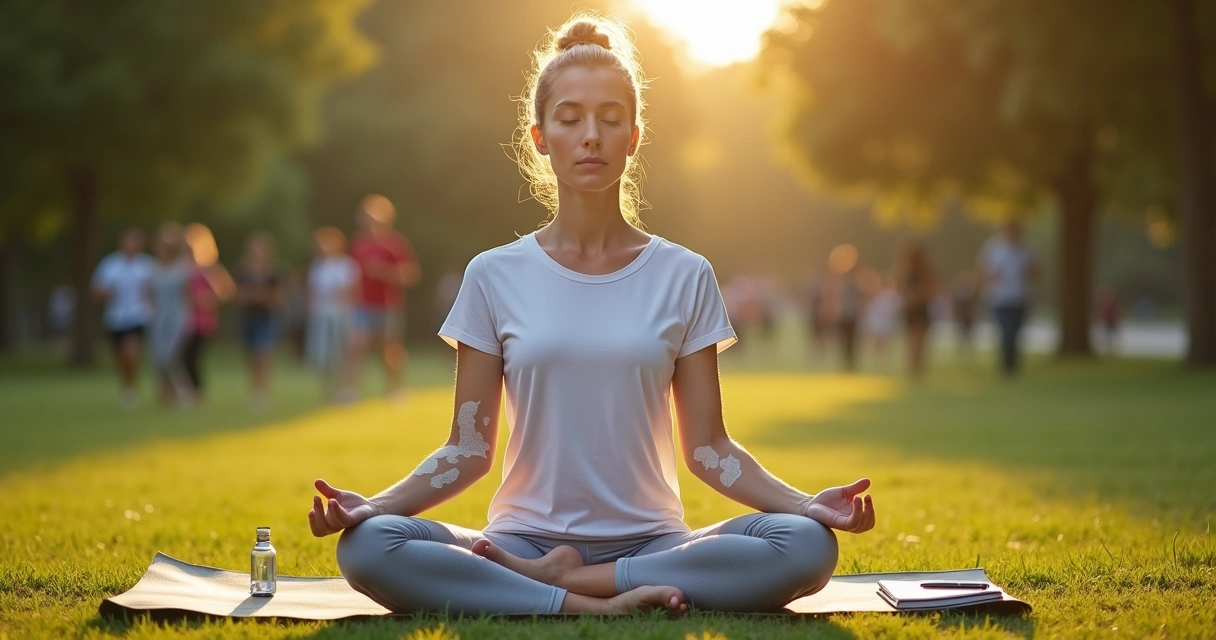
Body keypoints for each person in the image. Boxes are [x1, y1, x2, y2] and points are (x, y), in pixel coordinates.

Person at [307, 15, 875, 617]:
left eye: (610, 119)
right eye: (570, 118)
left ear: (633, 136)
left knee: (806, 544)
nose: (591, 136)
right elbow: (468, 449)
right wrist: (376, 504)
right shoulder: (493, 274)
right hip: (519, 539)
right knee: (368, 546)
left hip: (654, 544)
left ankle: (566, 584)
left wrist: (806, 504)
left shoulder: (685, 274)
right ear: (540, 137)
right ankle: (587, 603)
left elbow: (709, 447)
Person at [344, 195, 420, 402]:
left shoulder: (395, 244)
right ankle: (351, 391)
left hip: (388, 306)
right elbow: (352, 275)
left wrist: (384, 272)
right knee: (356, 347)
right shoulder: (358, 245)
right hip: (362, 306)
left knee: (390, 350)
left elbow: (411, 274)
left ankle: (395, 390)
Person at [91, 229, 155, 409]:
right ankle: (127, 386)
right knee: (120, 357)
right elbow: (96, 292)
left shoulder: (147, 265)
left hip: (139, 315)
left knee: (131, 352)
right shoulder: (110, 264)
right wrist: (106, 292)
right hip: (116, 318)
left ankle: (131, 388)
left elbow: (154, 291)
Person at [306, 227, 360, 400]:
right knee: (323, 356)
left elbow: (350, 291)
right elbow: (313, 293)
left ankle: (345, 388)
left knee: (342, 354)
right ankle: (328, 389)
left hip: (341, 316)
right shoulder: (317, 266)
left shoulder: (346, 265)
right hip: (321, 316)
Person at [182, 223, 234, 402]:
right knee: (183, 357)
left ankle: (196, 392)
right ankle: (187, 391)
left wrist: (208, 300)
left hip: (203, 321)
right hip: (184, 320)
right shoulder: (184, 266)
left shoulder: (209, 268)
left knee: (190, 357)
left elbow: (225, 290)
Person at [979, 220, 1037, 377]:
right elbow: (985, 271)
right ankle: (1006, 366)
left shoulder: (1025, 249)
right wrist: (994, 275)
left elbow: (1034, 271)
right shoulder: (994, 248)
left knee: (1016, 333)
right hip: (1000, 299)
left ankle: (1014, 365)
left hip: (1019, 297)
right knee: (1006, 332)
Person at [234, 232, 284, 411]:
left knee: (263, 353)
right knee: (251, 356)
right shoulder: (243, 270)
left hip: (266, 317)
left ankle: (263, 392)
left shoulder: (274, 271)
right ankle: (254, 391)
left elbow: (279, 298)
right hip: (248, 317)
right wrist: (250, 296)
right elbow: (238, 295)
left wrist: (262, 296)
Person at [146, 223, 194, 406]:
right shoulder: (152, 267)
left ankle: (185, 392)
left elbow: (187, 295)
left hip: (178, 317)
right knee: (158, 358)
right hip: (158, 318)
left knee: (170, 357)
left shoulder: (182, 268)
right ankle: (166, 394)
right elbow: (149, 293)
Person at [894, 240, 937, 379]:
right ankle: (914, 368)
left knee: (919, 341)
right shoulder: (904, 271)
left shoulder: (925, 271)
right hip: (911, 310)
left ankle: (917, 368)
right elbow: (898, 289)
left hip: (921, 309)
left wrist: (918, 295)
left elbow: (931, 289)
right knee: (913, 341)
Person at [950, 271, 979, 357]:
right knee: (960, 335)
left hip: (969, 317)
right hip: (961, 317)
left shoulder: (971, 294)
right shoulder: (957, 295)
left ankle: (969, 352)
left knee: (970, 335)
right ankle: (960, 352)